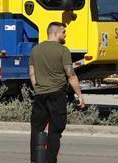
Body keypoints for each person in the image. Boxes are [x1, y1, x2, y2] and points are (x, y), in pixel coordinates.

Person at [29, 22, 85, 163]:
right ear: (55, 33)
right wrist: (79, 95)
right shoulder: (63, 50)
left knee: (37, 129)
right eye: (63, 32)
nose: (65, 34)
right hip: (57, 94)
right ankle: (50, 160)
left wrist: (38, 88)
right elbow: (70, 75)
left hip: (40, 94)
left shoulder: (35, 50)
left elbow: (31, 73)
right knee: (55, 130)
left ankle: (36, 160)